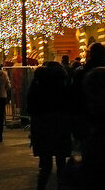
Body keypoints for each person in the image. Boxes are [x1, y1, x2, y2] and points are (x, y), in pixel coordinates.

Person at [27, 62, 73, 190]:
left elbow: (30, 107)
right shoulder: (64, 86)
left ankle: (41, 187)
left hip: (42, 126)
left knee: (45, 164)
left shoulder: (37, 85)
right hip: (61, 125)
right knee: (61, 161)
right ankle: (61, 186)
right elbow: (71, 106)